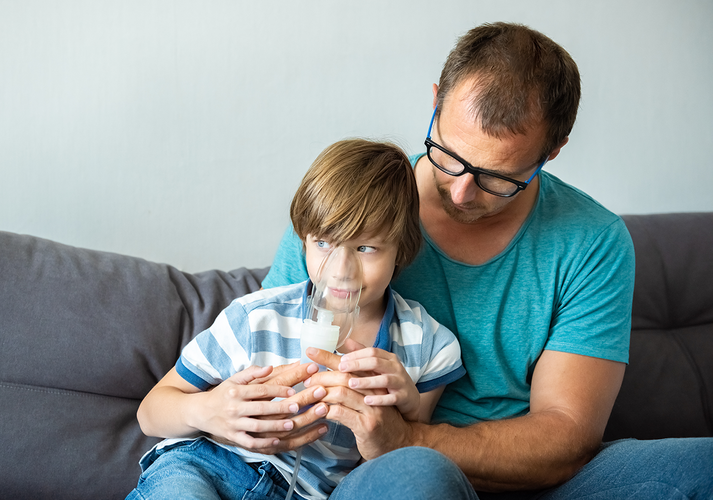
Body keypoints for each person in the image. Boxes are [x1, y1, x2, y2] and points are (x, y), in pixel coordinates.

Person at [258, 22, 713, 499]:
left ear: (552, 151)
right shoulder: (349, 210)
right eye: (449, 156)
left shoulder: (594, 240)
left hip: (529, 478)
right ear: (435, 102)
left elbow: (567, 435)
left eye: (497, 177)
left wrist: (412, 437)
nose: (461, 191)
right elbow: (267, 356)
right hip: (385, 473)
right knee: (421, 477)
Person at [126, 139, 465, 500]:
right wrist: (208, 410)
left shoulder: (427, 347)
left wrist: (407, 406)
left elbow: (403, 457)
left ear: (403, 247)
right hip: (212, 469)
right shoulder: (256, 320)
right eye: (324, 243)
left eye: (365, 248)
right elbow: (150, 412)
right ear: (303, 240)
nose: (340, 271)